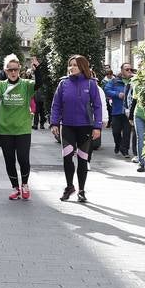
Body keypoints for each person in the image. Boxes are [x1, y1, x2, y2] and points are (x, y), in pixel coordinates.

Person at [50, 54, 104, 204]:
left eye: (75, 65)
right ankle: (69, 187)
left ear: (82, 67)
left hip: (85, 127)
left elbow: (98, 106)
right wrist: (54, 123)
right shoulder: (63, 84)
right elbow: (56, 105)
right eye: (70, 65)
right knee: (67, 157)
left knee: (82, 159)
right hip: (67, 126)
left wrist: (97, 126)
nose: (71, 67)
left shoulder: (91, 84)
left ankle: (81, 190)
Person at [0, 55, 36, 200]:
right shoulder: (1, 85)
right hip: (5, 130)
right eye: (10, 69)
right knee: (9, 160)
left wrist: (38, 69)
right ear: (5, 70)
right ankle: (15, 188)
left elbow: (40, 84)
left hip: (22, 129)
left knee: (23, 159)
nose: (13, 72)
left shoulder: (26, 84)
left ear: (19, 69)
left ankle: (25, 184)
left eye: (15, 69)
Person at [105, 63, 134, 158]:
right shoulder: (115, 81)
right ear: (122, 71)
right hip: (117, 111)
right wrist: (117, 94)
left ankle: (125, 150)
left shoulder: (134, 81)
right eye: (127, 69)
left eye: (130, 69)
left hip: (129, 112)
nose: (129, 71)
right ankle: (118, 144)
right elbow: (107, 89)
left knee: (127, 132)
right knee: (116, 132)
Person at [130, 71, 145, 173]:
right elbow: (134, 101)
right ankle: (141, 163)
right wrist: (130, 116)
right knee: (140, 138)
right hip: (139, 114)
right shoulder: (137, 83)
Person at [31, 55, 52, 130]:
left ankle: (42, 123)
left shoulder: (43, 72)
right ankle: (36, 124)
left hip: (43, 93)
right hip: (37, 94)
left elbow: (41, 81)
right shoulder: (34, 73)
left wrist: (37, 68)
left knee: (42, 110)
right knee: (36, 110)